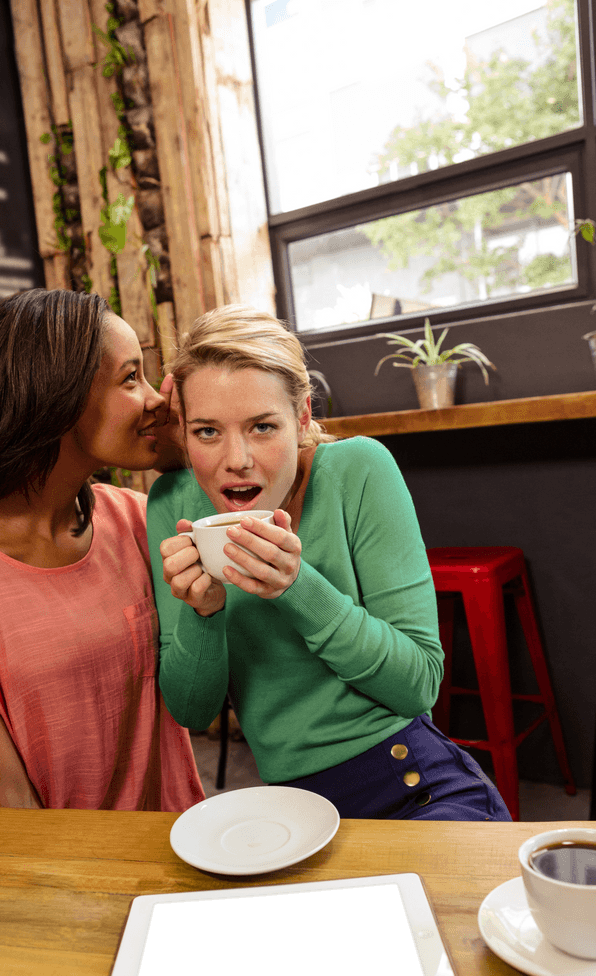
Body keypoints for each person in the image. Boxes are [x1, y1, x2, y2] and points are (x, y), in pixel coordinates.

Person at [147, 305, 511, 821]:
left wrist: (296, 587)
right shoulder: (172, 505)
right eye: (207, 432)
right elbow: (191, 710)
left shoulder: (358, 470)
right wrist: (201, 613)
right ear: (182, 429)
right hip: (292, 812)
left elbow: (419, 685)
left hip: (411, 782)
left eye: (262, 427)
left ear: (300, 418)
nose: (237, 459)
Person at [0, 288, 203, 810]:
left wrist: (189, 436)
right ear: (58, 396)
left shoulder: (134, 520)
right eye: (131, 377)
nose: (156, 399)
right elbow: (8, 798)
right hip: (43, 872)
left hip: (171, 852)